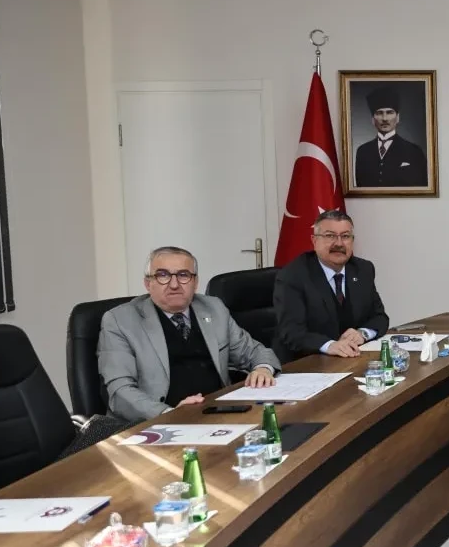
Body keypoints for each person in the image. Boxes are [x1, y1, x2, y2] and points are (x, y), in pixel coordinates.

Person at [98, 246, 279, 424]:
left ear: (195, 282)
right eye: (163, 275)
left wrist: (262, 368)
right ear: (148, 283)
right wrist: (168, 413)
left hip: (219, 414)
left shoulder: (213, 308)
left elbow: (254, 351)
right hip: (158, 424)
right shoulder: (120, 321)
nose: (174, 285)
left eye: (183, 275)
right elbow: (120, 392)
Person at [274, 210, 390, 362]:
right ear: (314, 240)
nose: (339, 243)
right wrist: (329, 345)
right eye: (330, 236)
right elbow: (292, 333)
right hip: (306, 363)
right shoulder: (293, 275)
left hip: (351, 360)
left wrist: (362, 333)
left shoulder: (363, 269)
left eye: (345, 236)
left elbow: (380, 317)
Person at [354, 86, 428, 188]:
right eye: (379, 113)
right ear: (373, 120)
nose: (385, 118)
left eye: (389, 112)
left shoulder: (414, 151)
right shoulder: (362, 152)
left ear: (397, 118)